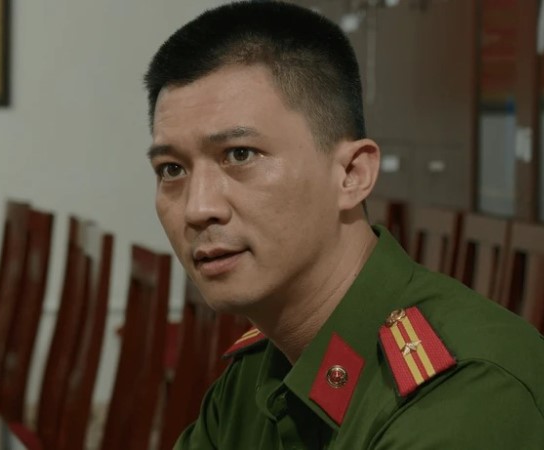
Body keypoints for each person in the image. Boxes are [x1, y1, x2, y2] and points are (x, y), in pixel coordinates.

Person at [144, 2, 544, 448]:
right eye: (171, 169)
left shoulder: (465, 391)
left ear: (352, 175)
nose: (198, 208)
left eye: (240, 155)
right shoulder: (261, 364)